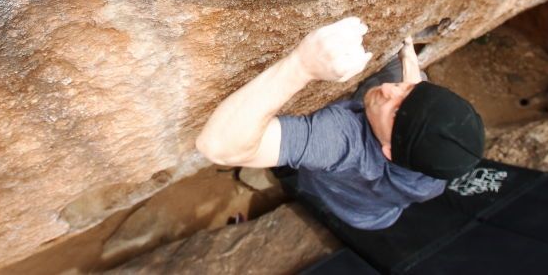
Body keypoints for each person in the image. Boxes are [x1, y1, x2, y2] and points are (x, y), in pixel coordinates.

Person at [195, 16, 485, 231]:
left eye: (396, 112)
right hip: (377, 215)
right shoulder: (440, 165)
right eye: (410, 92)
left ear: (388, 152)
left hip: (344, 203)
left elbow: (219, 146)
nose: (389, 89)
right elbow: (414, 103)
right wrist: (408, 59)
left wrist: (301, 65)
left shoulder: (344, 143)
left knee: (299, 177)